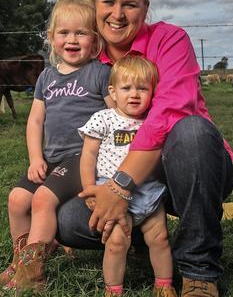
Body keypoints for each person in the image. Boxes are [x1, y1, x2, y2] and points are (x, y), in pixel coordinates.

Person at [56, 0, 233, 297]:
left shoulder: (170, 39)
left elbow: (171, 113)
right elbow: (70, 125)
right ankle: (146, 235)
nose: (117, 15)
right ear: (96, 5)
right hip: (120, 179)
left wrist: (120, 186)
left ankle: (199, 271)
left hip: (184, 169)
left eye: (130, 5)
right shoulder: (91, 62)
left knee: (192, 131)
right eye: (108, 2)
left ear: (146, 9)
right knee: (69, 222)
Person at [0, 0, 113, 293]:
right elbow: (35, 120)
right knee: (18, 200)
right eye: (64, 33)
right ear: (51, 37)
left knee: (42, 199)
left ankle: (32, 277)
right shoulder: (46, 77)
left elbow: (116, 117)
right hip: (52, 157)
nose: (72, 40)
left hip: (82, 158)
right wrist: (35, 158)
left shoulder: (99, 74)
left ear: (95, 41)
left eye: (82, 33)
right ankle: (19, 262)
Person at [79, 55, 176, 296]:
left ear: (153, 91)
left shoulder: (153, 119)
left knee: (161, 238)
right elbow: (88, 156)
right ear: (112, 91)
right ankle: (113, 290)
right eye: (127, 88)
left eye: (142, 88)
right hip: (111, 192)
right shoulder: (104, 118)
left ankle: (164, 285)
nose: (134, 94)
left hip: (149, 191)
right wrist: (90, 188)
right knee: (116, 243)